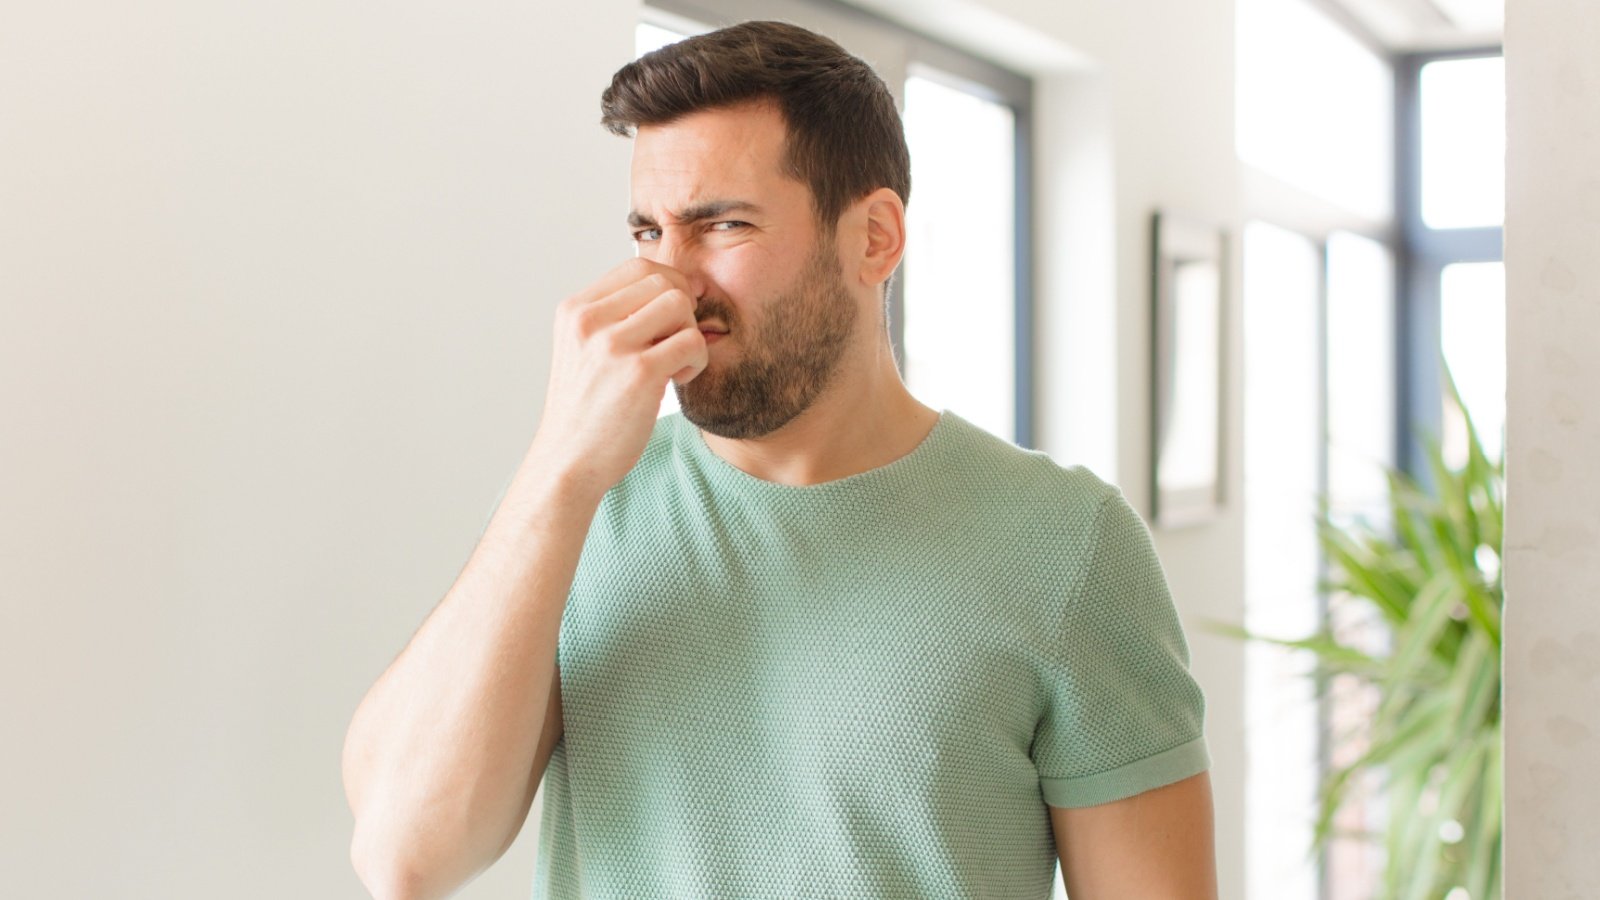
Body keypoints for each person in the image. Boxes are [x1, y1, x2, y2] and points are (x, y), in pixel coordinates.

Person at [343, 19, 1218, 900]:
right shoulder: (579, 503)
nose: (670, 281)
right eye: (648, 231)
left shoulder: (1068, 544)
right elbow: (404, 857)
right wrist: (560, 466)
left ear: (875, 237)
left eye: (720, 224)